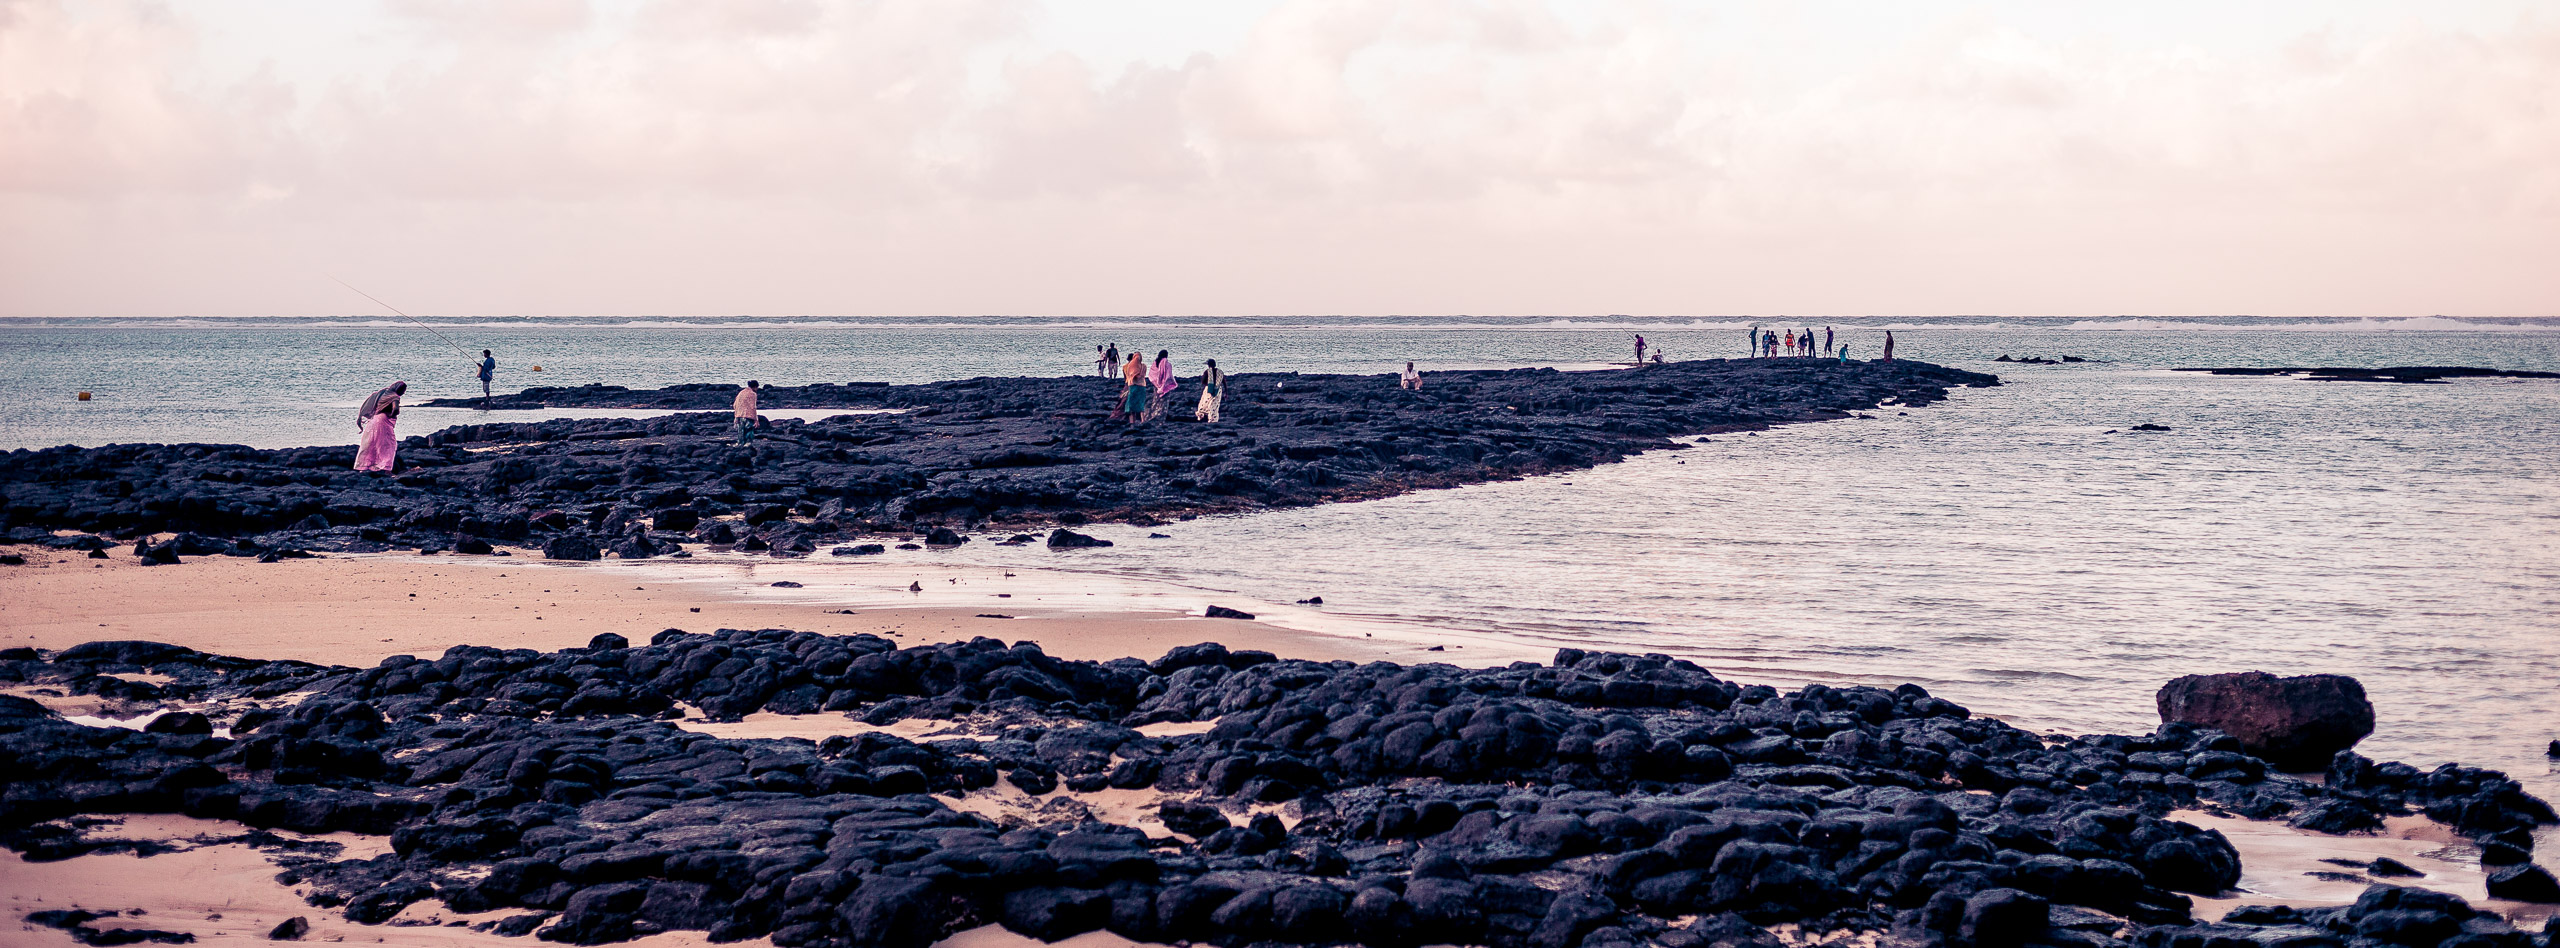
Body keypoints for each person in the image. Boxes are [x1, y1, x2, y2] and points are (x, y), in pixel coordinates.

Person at [353, 381, 405, 472]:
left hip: (373, 420)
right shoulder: (394, 397)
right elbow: (396, 409)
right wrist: (392, 415)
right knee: (387, 444)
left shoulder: (382, 394)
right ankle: (385, 468)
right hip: (383, 421)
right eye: (403, 390)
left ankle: (364, 466)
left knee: (370, 443)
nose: (403, 392)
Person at [1142, 350, 1177, 423]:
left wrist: (1157, 384)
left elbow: (1152, 374)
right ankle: (1160, 417)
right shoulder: (1167, 364)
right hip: (1165, 387)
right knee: (1163, 403)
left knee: (1156, 401)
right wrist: (1164, 385)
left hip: (1156, 386)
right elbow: (1168, 376)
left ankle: (1153, 415)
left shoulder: (1155, 363)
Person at [1196, 358, 1226, 423]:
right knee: (1214, 405)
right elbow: (1224, 382)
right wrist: (1226, 393)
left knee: (1204, 404)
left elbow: (1203, 381)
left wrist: (1209, 385)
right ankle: (1213, 419)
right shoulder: (1220, 372)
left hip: (1208, 389)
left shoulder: (1207, 372)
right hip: (1218, 390)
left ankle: (1202, 417)